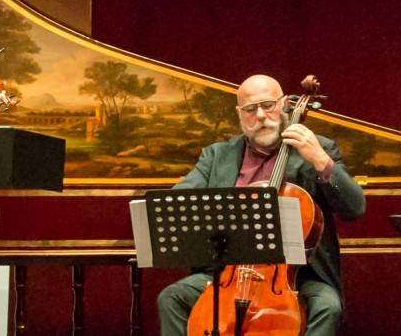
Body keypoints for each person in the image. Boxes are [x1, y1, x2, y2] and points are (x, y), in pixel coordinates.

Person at [156, 74, 366, 336]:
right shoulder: (216, 155)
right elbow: (180, 202)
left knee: (328, 307)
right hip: (227, 275)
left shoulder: (317, 149)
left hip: (297, 277)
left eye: (268, 105)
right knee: (172, 298)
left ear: (284, 104)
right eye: (250, 109)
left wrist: (322, 162)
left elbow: (354, 208)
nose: (261, 115)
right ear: (239, 113)